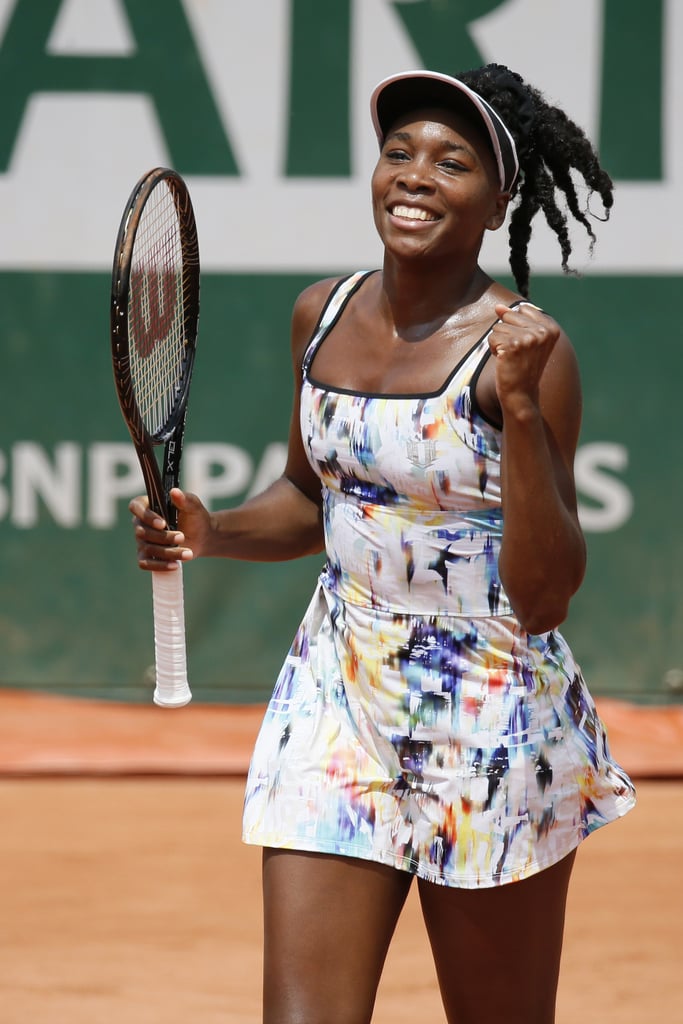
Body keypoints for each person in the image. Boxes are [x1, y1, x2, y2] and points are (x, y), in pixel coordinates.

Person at [130, 64, 636, 1024]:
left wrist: (521, 406)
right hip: (338, 697)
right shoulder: (319, 315)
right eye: (397, 153)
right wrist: (213, 531)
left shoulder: (529, 353)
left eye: (450, 162)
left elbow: (544, 596)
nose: (413, 175)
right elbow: (308, 498)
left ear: (496, 204)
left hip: (490, 716)